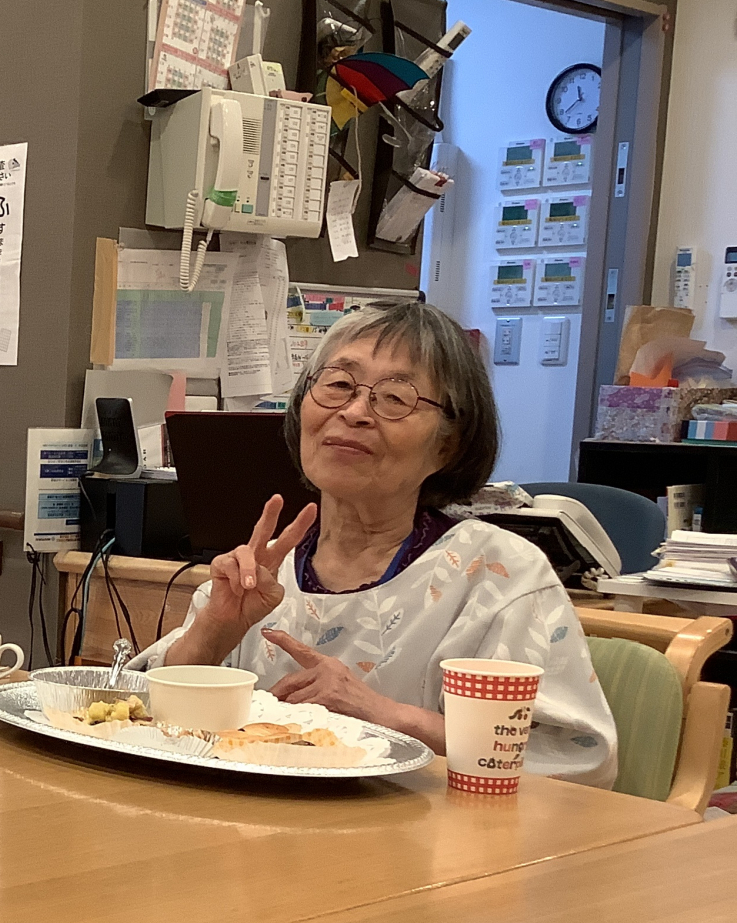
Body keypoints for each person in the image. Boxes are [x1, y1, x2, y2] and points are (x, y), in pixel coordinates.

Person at [134, 300, 616, 787]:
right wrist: (214, 632)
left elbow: (572, 762)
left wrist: (380, 713)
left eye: (395, 397)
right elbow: (141, 721)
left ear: (447, 445)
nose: (354, 412)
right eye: (338, 385)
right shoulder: (262, 570)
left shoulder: (498, 575)